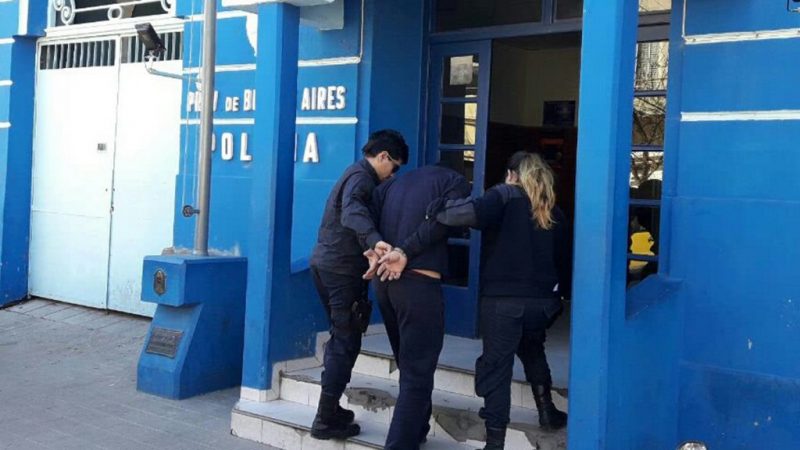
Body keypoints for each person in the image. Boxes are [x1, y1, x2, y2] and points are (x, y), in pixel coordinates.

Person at [433, 152, 571, 450]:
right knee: (533, 349)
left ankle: (495, 441)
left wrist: (434, 209)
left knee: (496, 367)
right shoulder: (554, 210)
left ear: (512, 174)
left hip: (503, 302)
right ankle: (547, 411)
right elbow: (563, 260)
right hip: (542, 302)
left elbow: (460, 215)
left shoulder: (503, 197)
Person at [308, 129, 408, 440]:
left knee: (341, 336)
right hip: (341, 271)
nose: (393, 175)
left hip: (327, 265)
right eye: (394, 167)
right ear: (383, 157)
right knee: (346, 341)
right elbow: (352, 211)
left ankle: (331, 409)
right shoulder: (362, 178)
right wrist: (375, 241)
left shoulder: (353, 173)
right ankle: (325, 418)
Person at [364, 165, 471, 450]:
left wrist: (375, 248)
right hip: (418, 282)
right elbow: (444, 221)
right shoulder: (456, 181)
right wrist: (405, 251)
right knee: (417, 372)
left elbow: (367, 217)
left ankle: (419, 426)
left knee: (408, 364)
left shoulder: (393, 184)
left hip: (384, 281)